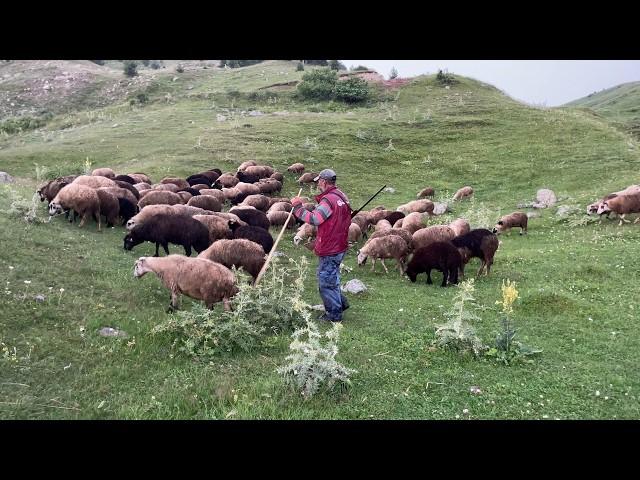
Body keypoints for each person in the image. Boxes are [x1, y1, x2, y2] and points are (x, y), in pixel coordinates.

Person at [291, 169, 351, 322]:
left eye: (319, 181)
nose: (318, 183)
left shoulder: (328, 200)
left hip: (330, 247)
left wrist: (298, 208)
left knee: (326, 282)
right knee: (332, 277)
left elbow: (315, 219)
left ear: (324, 181)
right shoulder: (341, 196)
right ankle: (340, 303)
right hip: (340, 244)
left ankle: (334, 315)